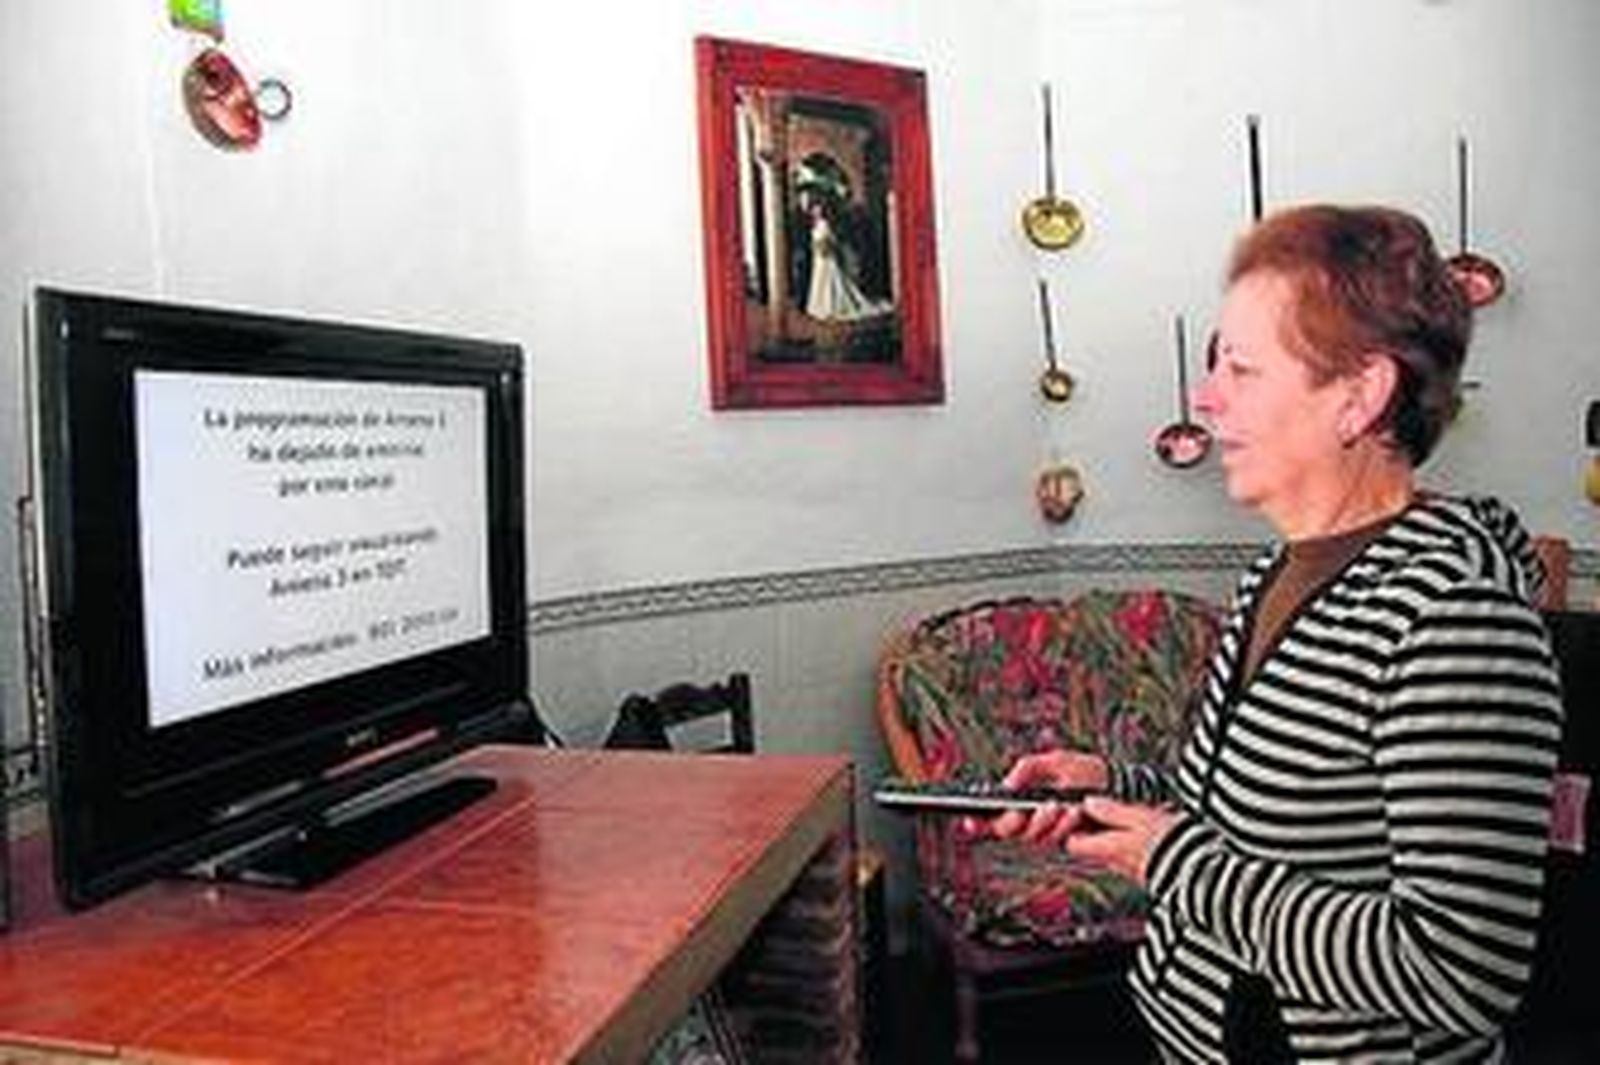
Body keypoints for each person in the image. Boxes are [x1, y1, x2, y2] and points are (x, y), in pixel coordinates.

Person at [982, 205, 1564, 1063]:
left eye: (1244, 368)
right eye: (1215, 362)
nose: (1206, 396)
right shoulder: (1278, 569)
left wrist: (1175, 863)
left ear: (1360, 395)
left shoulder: (1456, 618)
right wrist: (1112, 788)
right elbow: (1252, 812)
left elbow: (1459, 970)